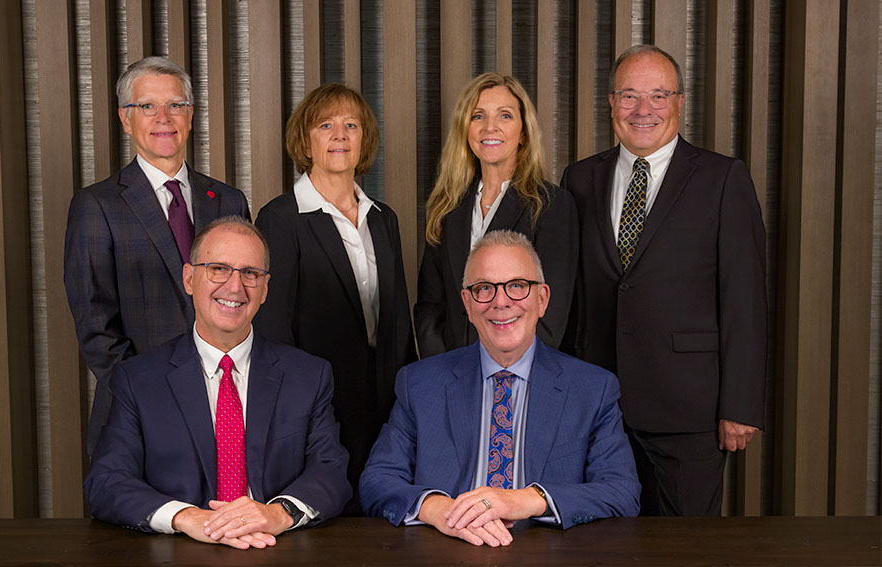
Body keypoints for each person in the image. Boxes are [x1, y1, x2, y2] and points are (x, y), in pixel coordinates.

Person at [559, 45, 766, 516]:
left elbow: (745, 300)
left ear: (679, 102)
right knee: (602, 541)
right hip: (597, 404)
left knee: (686, 547)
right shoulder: (580, 180)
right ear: (611, 103)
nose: (643, 110)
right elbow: (572, 297)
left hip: (689, 409)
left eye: (658, 95)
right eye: (629, 96)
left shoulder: (722, 178)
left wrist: (741, 404)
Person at [84, 217, 351, 549]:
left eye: (250, 273)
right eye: (219, 269)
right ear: (189, 278)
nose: (235, 287)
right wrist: (187, 517)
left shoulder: (309, 376)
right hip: (179, 551)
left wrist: (278, 514)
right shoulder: (137, 380)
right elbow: (106, 482)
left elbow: (331, 470)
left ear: (265, 289)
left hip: (277, 549)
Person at [360, 230, 639, 547]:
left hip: (548, 555)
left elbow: (622, 492)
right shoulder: (420, 383)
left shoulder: (593, 388)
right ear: (467, 303)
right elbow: (376, 481)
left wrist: (527, 500)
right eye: (484, 289)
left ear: (542, 298)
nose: (501, 302)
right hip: (446, 550)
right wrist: (437, 508)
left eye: (517, 286)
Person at [65, 56, 250, 454]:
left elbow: (246, 301)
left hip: (227, 405)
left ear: (190, 115)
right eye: (147, 105)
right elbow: (96, 325)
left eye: (175, 105)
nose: (163, 117)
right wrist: (152, 395)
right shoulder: (96, 205)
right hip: (139, 412)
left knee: (223, 515)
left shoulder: (228, 199)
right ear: (125, 118)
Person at [252, 84, 416, 512]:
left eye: (350, 125)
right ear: (306, 141)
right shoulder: (281, 218)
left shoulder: (383, 219)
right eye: (325, 125)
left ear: (364, 139)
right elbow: (273, 328)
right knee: (323, 516)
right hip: (316, 404)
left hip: (382, 401)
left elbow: (397, 320)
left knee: (381, 512)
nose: (339, 135)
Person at [415, 73, 578, 359]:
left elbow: (551, 316)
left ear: (523, 132)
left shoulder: (552, 205)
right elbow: (430, 307)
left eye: (505, 116)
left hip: (521, 378)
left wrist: (502, 372)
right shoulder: (447, 205)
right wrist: (444, 369)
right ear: (466, 129)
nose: (490, 127)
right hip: (452, 375)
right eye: (478, 116)